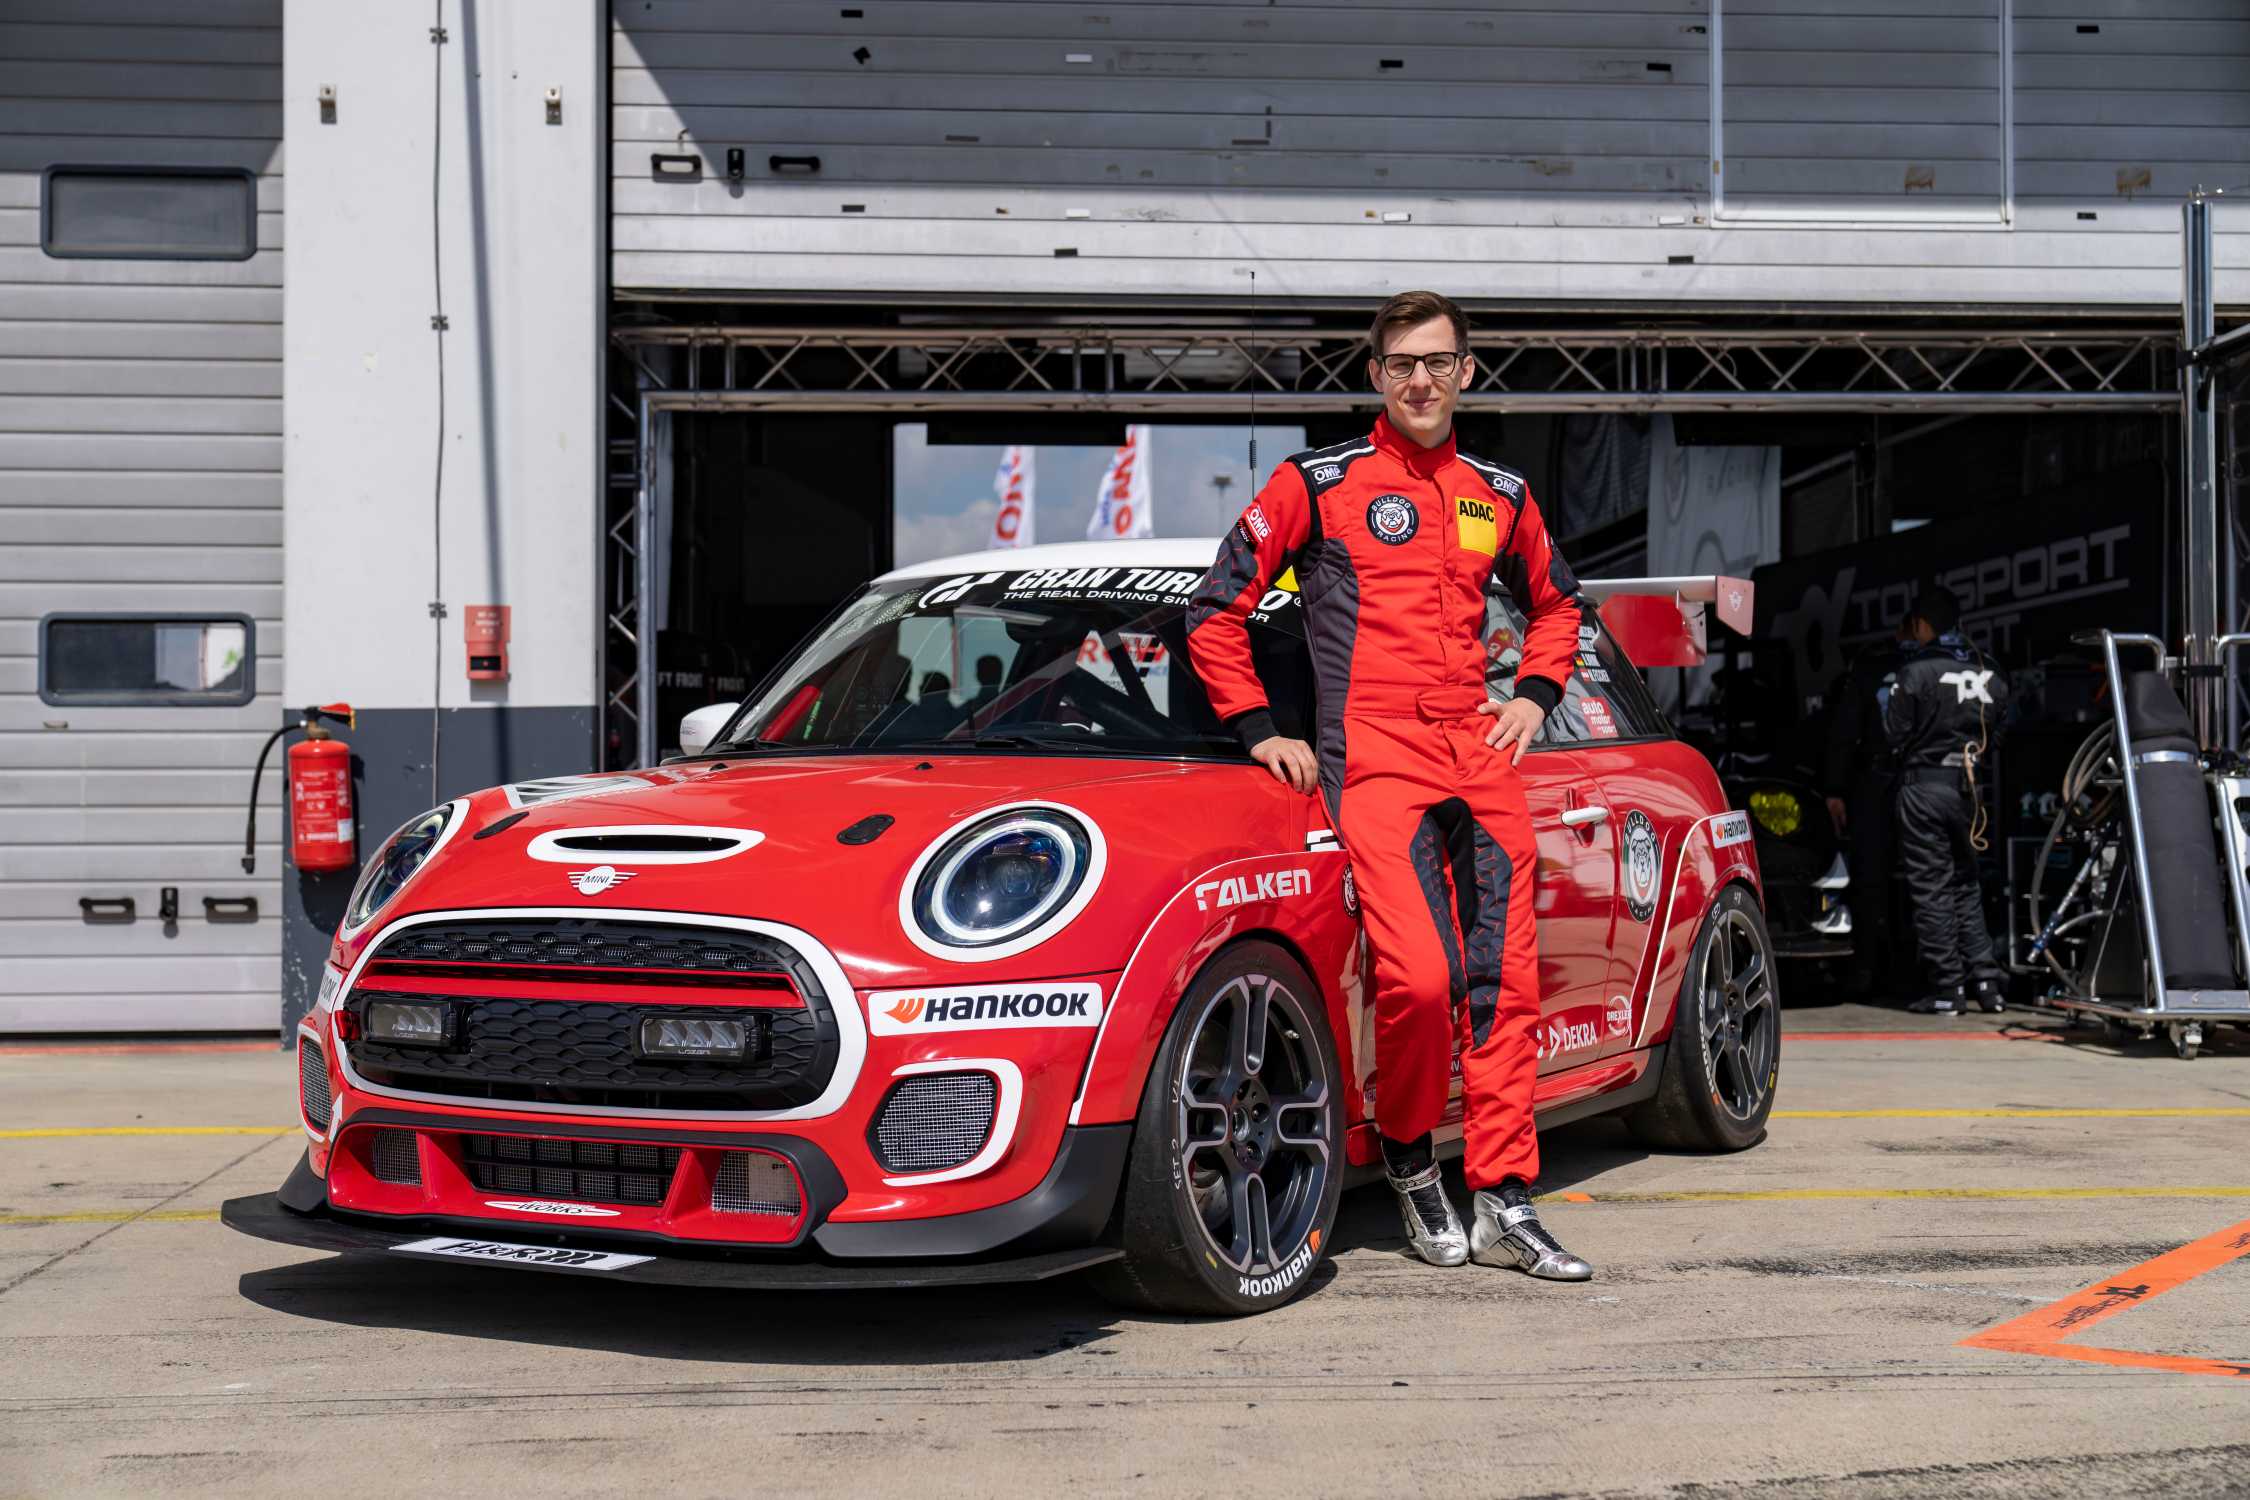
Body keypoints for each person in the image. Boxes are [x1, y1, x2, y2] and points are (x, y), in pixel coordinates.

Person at [1185, 289, 1593, 1280]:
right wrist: (1259, 729)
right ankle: (1411, 1162)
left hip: (1479, 758)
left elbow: (1559, 604)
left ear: (1466, 372)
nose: (1420, 380)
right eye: (1402, 364)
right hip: (1372, 760)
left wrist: (1534, 698)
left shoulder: (1502, 493)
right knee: (1419, 980)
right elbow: (1216, 608)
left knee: (1505, 987)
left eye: (1438, 362)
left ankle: (1504, 1197)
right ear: (1376, 375)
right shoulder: (1316, 482)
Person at [1884, 587, 2011, 1015]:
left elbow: (1894, 733)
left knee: (1932, 888)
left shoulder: (1915, 670)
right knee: (1966, 884)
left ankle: (1947, 988)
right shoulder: (1990, 670)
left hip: (1924, 788)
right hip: (1970, 792)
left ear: (1921, 625)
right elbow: (2001, 732)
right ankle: (1987, 984)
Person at [1821, 623, 1913, 1001]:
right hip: (1919, 782)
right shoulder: (1927, 668)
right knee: (1922, 878)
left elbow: (1844, 734)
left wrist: (1834, 789)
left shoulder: (1865, 672)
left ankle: (1866, 969)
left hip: (1875, 786)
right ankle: (1915, 969)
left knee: (1869, 879)